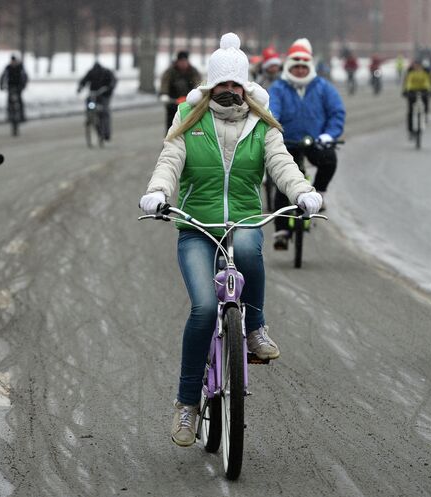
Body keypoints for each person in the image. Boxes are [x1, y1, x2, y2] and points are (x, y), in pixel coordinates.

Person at [139, 33, 321, 447]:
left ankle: (254, 327)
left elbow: (282, 164)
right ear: (211, 84)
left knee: (247, 250)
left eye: (235, 83)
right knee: (204, 307)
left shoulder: (261, 123)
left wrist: (302, 192)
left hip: (243, 221)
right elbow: (170, 160)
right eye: (221, 83)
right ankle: (186, 405)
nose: (228, 90)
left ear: (244, 86)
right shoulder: (189, 117)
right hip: (196, 228)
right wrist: (159, 193)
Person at [268, 38, 345, 249]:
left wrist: (329, 135)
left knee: (329, 160)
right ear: (289, 67)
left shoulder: (322, 87)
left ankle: (319, 194)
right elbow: (271, 112)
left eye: (304, 67)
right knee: (283, 184)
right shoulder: (279, 88)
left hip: (315, 142)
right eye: (296, 66)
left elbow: (336, 112)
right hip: (287, 143)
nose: (300, 70)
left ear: (309, 67)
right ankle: (282, 231)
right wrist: (275, 133)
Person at [158, 51, 201, 133]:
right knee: (171, 126)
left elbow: (197, 83)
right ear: (177, 62)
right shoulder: (170, 72)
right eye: (181, 61)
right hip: (173, 103)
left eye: (185, 61)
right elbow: (165, 83)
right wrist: (164, 94)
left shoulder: (193, 71)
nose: (183, 64)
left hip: (188, 103)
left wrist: (198, 94)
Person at [77, 61, 117, 140]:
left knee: (105, 112)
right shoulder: (91, 72)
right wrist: (80, 87)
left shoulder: (106, 73)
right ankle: (89, 116)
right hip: (93, 94)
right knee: (89, 104)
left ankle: (106, 132)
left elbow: (113, 81)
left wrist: (109, 88)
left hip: (104, 95)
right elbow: (84, 80)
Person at [402, 59, 431, 137]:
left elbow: (428, 82)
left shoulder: (425, 72)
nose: (417, 67)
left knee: (425, 103)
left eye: (418, 65)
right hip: (412, 91)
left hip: (423, 90)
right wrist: (405, 91)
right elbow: (407, 82)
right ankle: (410, 130)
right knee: (410, 111)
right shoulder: (410, 72)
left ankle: (425, 115)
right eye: (415, 65)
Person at [0, 55, 28, 122]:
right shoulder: (8, 67)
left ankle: (22, 116)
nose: (13, 62)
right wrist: (1, 85)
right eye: (12, 61)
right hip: (10, 87)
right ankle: (9, 116)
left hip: (18, 87)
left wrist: (23, 85)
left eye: (14, 61)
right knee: (9, 102)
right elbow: (3, 76)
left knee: (20, 101)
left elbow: (24, 77)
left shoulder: (20, 67)